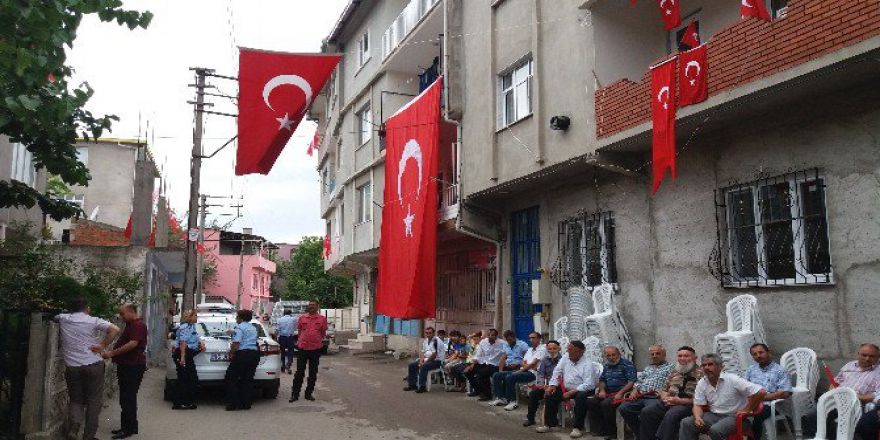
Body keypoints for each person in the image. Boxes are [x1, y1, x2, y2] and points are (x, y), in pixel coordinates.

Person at [56, 298, 120, 440]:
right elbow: (115, 329)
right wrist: (102, 345)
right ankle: (88, 437)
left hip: (72, 367)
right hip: (93, 365)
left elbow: (54, 317)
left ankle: (74, 430)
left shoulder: (63, 318)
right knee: (93, 401)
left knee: (76, 399)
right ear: (87, 308)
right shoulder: (93, 321)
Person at [679, 353, 767, 440]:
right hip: (714, 415)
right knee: (686, 422)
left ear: (720, 367)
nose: (706, 368)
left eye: (710, 364)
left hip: (734, 417)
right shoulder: (702, 382)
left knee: (716, 430)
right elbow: (697, 404)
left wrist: (746, 410)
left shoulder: (732, 379)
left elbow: (761, 392)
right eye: (704, 365)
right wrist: (698, 417)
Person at [803, 343, 880, 439]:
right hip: (837, 399)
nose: (867, 358)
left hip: (858, 404)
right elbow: (835, 382)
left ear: (878, 357)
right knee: (812, 416)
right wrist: (833, 391)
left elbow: (877, 394)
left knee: (856, 426)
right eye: (864, 355)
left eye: (872, 356)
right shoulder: (849, 365)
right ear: (858, 354)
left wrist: (857, 397)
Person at [99, 304, 148, 439]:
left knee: (128, 398)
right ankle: (128, 426)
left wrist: (112, 353)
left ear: (131, 312)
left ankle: (128, 429)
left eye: (122, 314)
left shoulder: (138, 325)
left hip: (132, 366)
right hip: (128, 365)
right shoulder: (131, 325)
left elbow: (133, 343)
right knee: (126, 398)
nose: (120, 317)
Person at [536, 340, 601, 437]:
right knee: (550, 394)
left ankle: (577, 428)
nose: (568, 352)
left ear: (580, 352)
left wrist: (572, 392)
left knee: (581, 397)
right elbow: (557, 371)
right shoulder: (566, 357)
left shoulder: (588, 364)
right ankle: (549, 424)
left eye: (571, 350)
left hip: (582, 389)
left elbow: (589, 384)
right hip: (566, 388)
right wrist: (552, 385)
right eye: (568, 350)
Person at [638, 346, 704, 440]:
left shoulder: (702, 374)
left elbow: (702, 399)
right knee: (647, 412)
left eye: (686, 356)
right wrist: (665, 398)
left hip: (688, 404)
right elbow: (664, 390)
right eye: (680, 356)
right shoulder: (674, 371)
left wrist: (680, 401)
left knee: (671, 415)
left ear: (695, 358)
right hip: (669, 402)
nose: (682, 358)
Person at [618, 345, 674, 439]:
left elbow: (673, 382)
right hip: (640, 395)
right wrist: (634, 390)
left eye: (658, 353)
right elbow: (639, 381)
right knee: (624, 408)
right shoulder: (648, 368)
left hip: (655, 397)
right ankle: (640, 435)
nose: (655, 356)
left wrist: (664, 392)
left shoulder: (671, 367)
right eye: (652, 354)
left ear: (664, 355)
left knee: (647, 411)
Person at [586, 345, 638, 439]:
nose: (611, 357)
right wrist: (602, 390)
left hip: (623, 393)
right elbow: (602, 380)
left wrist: (620, 393)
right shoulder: (607, 366)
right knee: (591, 401)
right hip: (608, 392)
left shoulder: (627, 365)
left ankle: (612, 432)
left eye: (613, 355)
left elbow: (631, 382)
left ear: (619, 354)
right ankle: (599, 430)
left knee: (606, 404)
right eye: (608, 356)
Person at [743, 343, 792, 440]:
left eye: (761, 352)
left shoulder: (780, 370)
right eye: (755, 354)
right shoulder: (751, 369)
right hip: (752, 401)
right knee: (734, 412)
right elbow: (744, 387)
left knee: (758, 415)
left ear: (768, 352)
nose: (758, 356)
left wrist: (760, 397)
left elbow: (785, 393)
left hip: (772, 405)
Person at [290, 300, 328, 402]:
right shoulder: (302, 318)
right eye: (310, 305)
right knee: (299, 372)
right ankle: (295, 394)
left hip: (315, 349)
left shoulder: (322, 319)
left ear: (317, 307)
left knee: (313, 373)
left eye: (313, 305)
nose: (311, 306)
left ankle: (308, 394)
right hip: (303, 348)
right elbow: (299, 331)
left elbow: (323, 333)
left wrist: (315, 339)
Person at [225, 309, 260, 411]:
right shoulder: (253, 328)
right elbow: (247, 337)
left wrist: (231, 353)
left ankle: (234, 404)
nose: (236, 318)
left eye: (237, 316)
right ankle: (246, 403)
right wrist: (233, 332)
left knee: (231, 378)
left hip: (242, 355)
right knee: (247, 380)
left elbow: (236, 343)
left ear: (241, 318)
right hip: (253, 355)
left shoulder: (239, 327)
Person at [489, 330, 535, 407]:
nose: (509, 342)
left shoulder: (522, 345)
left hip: (519, 367)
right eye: (507, 340)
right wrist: (500, 370)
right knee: (496, 375)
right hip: (508, 367)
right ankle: (501, 398)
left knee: (509, 377)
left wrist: (519, 365)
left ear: (514, 337)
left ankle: (512, 400)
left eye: (510, 340)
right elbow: (503, 357)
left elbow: (526, 358)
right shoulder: (506, 345)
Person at [525, 340, 563, 427]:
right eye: (550, 349)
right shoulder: (545, 360)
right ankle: (530, 419)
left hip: (560, 386)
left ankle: (551, 422)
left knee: (551, 396)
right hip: (547, 386)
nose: (552, 351)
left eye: (554, 348)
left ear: (559, 349)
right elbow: (541, 374)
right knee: (533, 394)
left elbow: (564, 376)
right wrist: (542, 385)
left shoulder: (563, 360)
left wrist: (553, 385)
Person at [464, 328, 505, 401]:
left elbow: (506, 354)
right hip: (484, 363)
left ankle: (487, 395)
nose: (490, 337)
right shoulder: (483, 342)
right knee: (468, 372)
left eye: (492, 335)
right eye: (489, 335)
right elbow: (478, 355)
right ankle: (477, 390)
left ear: (496, 336)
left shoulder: (502, 343)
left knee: (482, 373)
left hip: (495, 365)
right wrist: (472, 364)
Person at [172, 310, 202, 410]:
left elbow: (195, 337)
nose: (196, 317)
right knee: (184, 378)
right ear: (189, 317)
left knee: (191, 378)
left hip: (188, 353)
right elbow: (183, 343)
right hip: (182, 353)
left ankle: (186, 401)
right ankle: (179, 403)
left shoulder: (192, 326)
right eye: (195, 315)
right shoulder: (185, 327)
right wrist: (182, 358)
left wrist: (201, 343)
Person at [403, 326, 444, 393]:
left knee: (424, 366)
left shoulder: (436, 341)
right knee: (412, 365)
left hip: (437, 361)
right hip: (427, 359)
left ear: (433, 333)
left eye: (430, 333)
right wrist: (421, 361)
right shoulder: (426, 341)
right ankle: (412, 385)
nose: (428, 335)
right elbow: (422, 352)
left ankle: (422, 386)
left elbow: (434, 355)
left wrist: (425, 362)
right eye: (427, 333)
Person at [275, 309, 297, 374]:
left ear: (284, 313)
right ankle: (288, 364)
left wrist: (275, 339)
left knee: (282, 352)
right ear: (290, 313)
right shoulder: (294, 319)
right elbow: (295, 328)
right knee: (290, 352)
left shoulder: (279, 319)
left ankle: (283, 366)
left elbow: (277, 330)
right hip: (290, 338)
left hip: (282, 338)